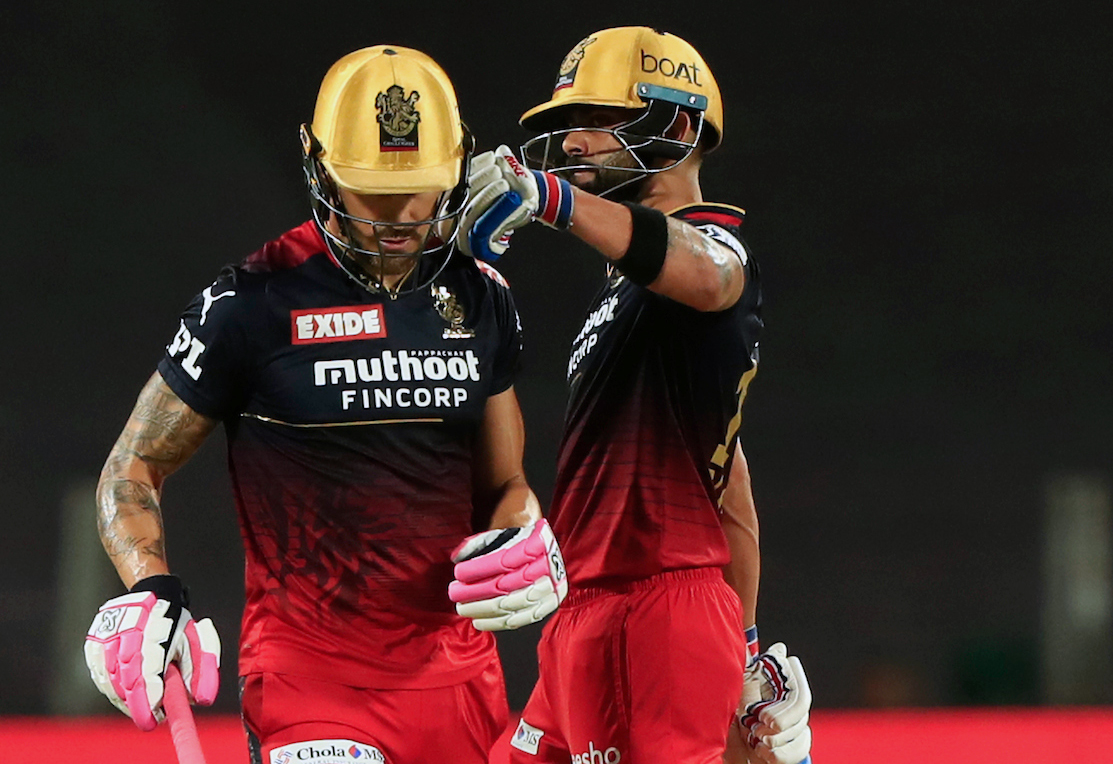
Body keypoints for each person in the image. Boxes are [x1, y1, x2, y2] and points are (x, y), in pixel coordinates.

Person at [83, 45, 567, 764]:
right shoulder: (250, 301)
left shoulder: (482, 297)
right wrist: (148, 588)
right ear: (318, 166)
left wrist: (524, 536)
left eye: (420, 189)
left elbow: (505, 483)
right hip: (308, 684)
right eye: (371, 190)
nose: (399, 214)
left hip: (462, 683)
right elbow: (132, 465)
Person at [456, 27, 813, 764]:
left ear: (678, 128)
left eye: (597, 119)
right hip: (592, 608)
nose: (573, 142)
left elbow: (712, 272)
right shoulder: (629, 292)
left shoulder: (715, 248)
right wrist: (745, 649)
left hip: (650, 609)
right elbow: (729, 484)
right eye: (568, 125)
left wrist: (551, 198)